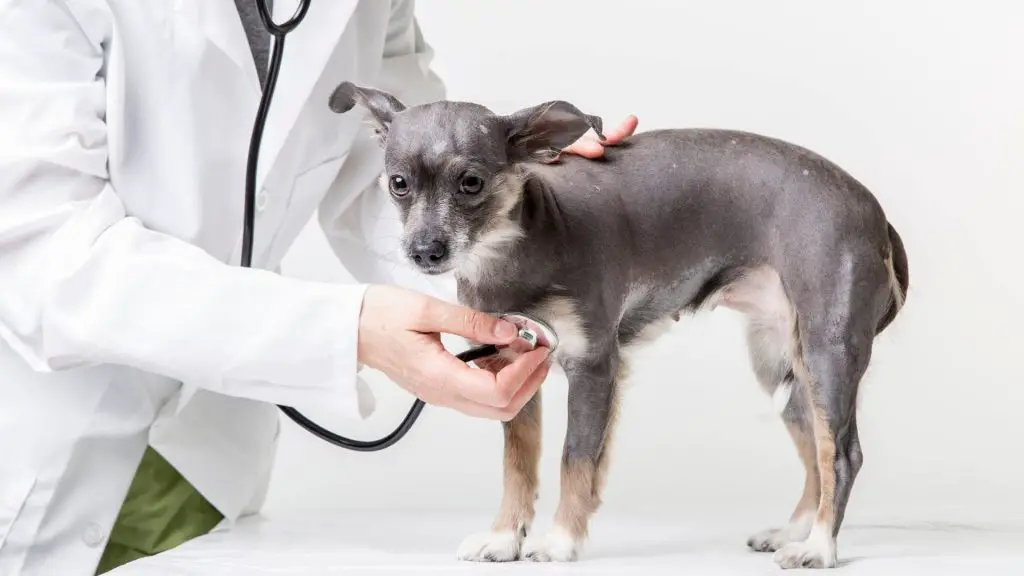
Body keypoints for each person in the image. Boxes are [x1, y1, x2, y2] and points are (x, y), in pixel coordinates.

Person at [0, 1, 637, 574]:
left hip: (209, 456)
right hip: (50, 441)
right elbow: (41, 250)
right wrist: (348, 331)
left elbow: (394, 174)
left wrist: (542, 217)